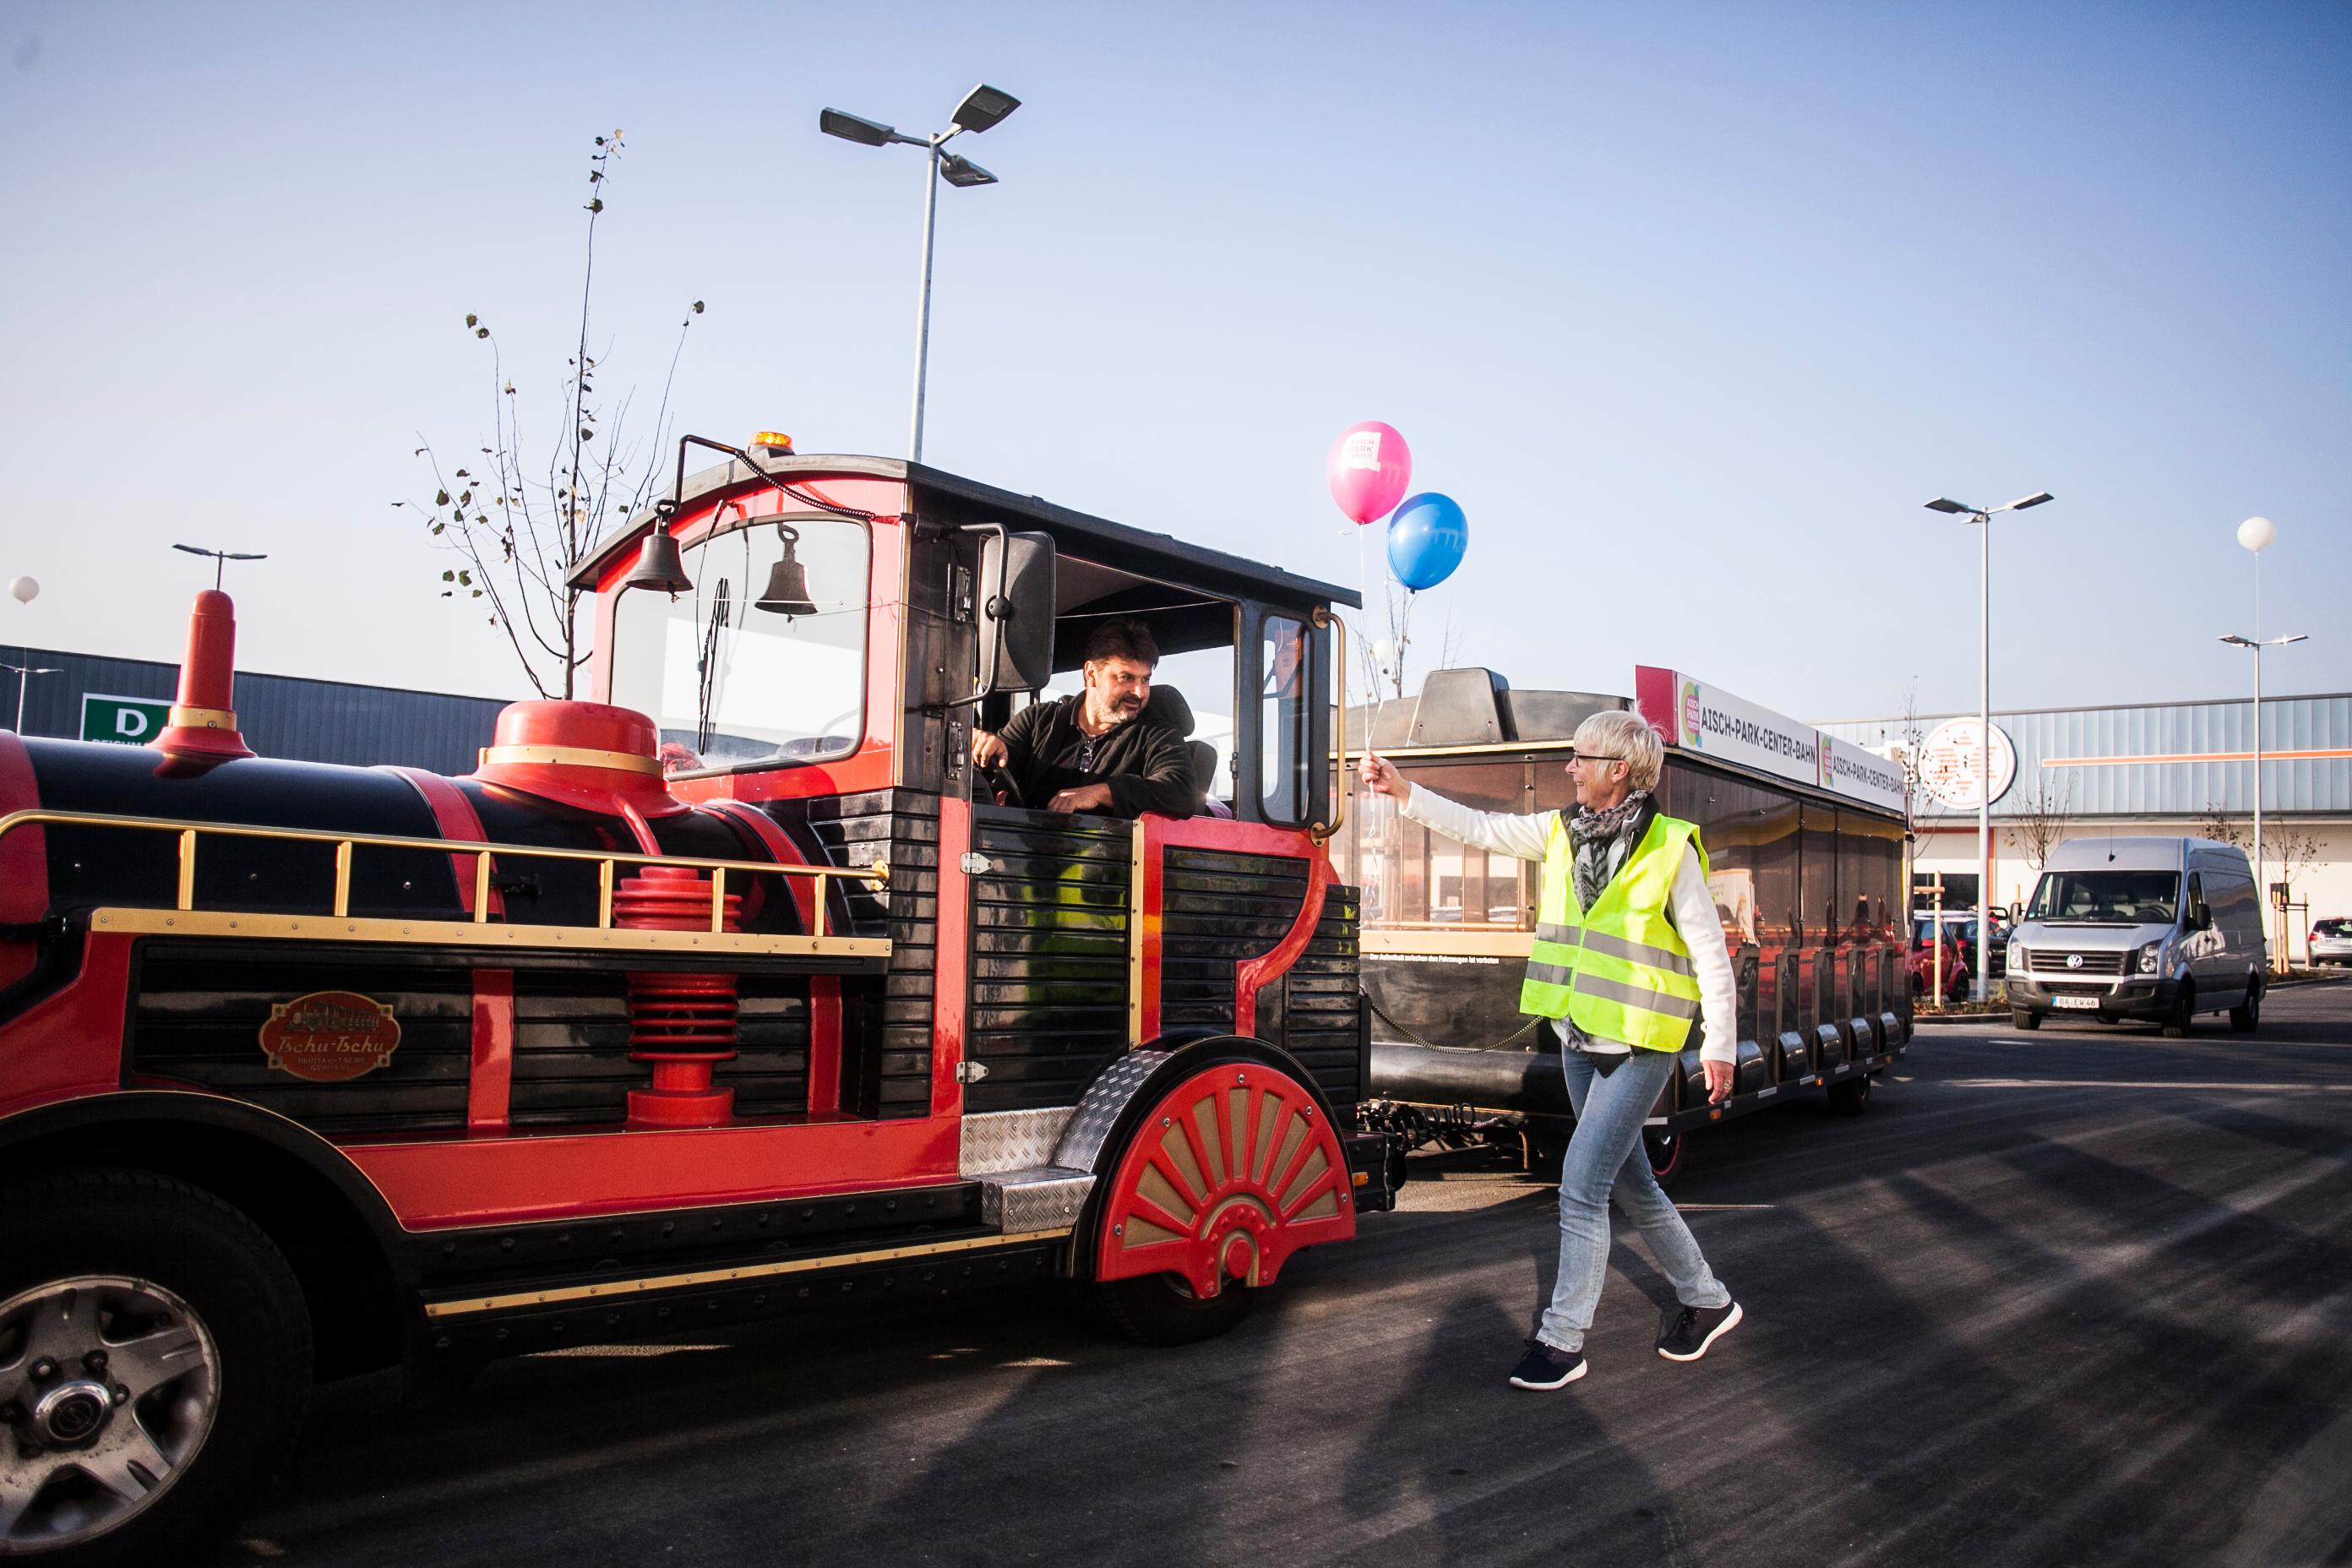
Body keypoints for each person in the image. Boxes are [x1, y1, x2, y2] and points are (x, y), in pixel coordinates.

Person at [1361, 708, 1742, 1390]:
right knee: (1633, 1184)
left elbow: (1712, 956)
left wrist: (1720, 1046)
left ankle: (1563, 1341)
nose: (1569, 767)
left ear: (1617, 770)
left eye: (1581, 758)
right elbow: (1480, 828)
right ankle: (1707, 1299)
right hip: (1577, 1037)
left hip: (1639, 1045)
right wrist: (1403, 791)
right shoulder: (1562, 833)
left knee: (1581, 1186)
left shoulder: (1671, 848)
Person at [971, 617, 1195, 819]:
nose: (1140, 692)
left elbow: (1180, 793)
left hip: (1108, 860)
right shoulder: (1037, 721)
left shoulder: (1158, 735)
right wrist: (982, 748)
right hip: (1022, 853)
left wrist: (1101, 793)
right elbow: (996, 773)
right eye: (1126, 678)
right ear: (1091, 674)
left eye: (1145, 680)